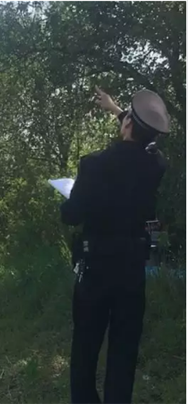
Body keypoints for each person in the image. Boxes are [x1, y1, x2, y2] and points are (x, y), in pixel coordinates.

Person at [61, 86, 168, 404]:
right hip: (132, 269)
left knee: (85, 347)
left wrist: (69, 198)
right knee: (124, 350)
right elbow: (146, 141)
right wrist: (118, 110)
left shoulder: (93, 165)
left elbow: (71, 216)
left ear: (128, 124)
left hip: (95, 269)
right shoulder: (156, 166)